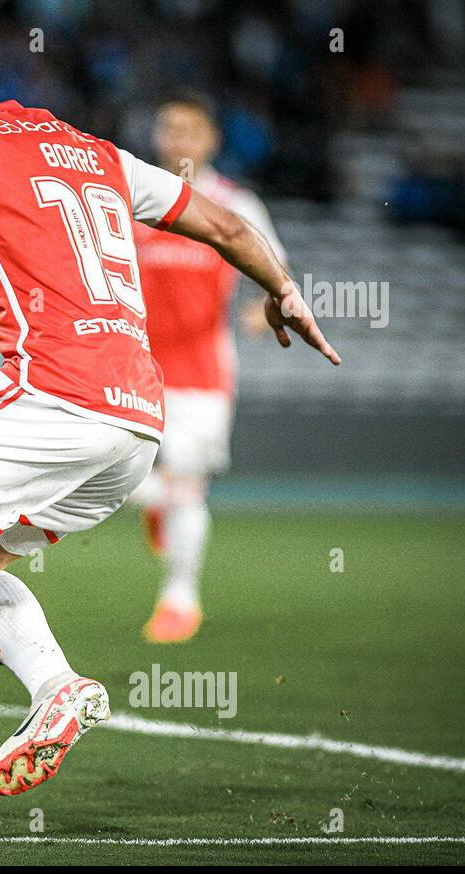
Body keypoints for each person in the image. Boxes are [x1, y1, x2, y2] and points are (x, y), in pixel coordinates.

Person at [0, 37, 341, 838]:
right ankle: (56, 685)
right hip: (135, 424)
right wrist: (285, 291)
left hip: (55, 390)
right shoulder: (96, 151)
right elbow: (225, 223)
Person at [129, 93, 289, 643]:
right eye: (170, 129)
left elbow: (276, 271)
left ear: (212, 139)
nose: (179, 141)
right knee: (103, 474)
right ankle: (154, 503)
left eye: (191, 131)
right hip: (132, 367)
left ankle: (180, 599)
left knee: (187, 486)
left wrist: (265, 308)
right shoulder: (132, 198)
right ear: (156, 136)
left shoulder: (235, 203)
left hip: (201, 371)